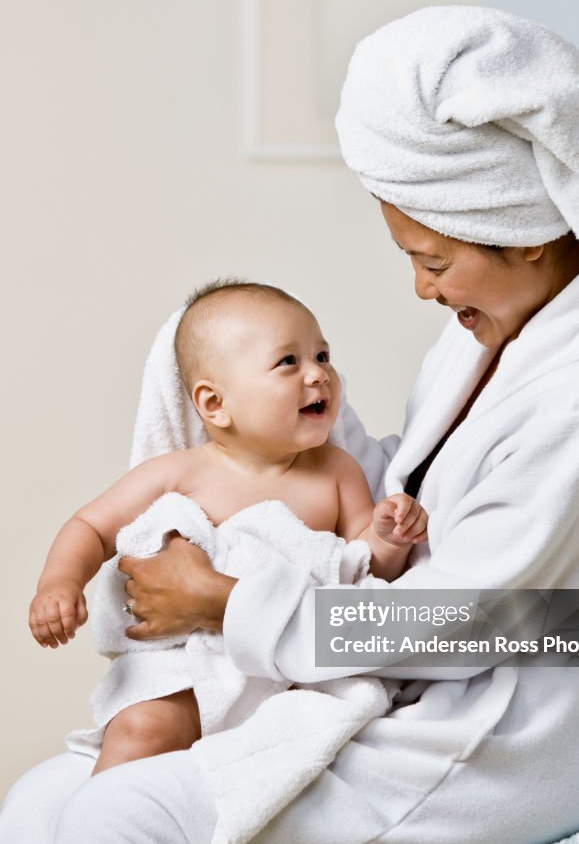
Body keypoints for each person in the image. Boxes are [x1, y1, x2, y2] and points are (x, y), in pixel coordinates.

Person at [1, 6, 579, 844]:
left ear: (528, 238)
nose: (423, 290)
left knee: (127, 827)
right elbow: (407, 495)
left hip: (500, 727)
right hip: (412, 677)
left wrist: (223, 601)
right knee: (49, 803)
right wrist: (262, 436)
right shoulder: (496, 335)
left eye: (432, 260)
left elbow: (454, 628)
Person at [27, 280, 427, 774]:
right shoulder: (180, 473)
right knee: (140, 732)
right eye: (289, 362)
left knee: (323, 748)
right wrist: (59, 583)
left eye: (322, 356)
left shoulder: (337, 471)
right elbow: (90, 526)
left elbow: (363, 570)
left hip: (287, 671)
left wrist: (388, 536)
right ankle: (106, 832)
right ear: (215, 404)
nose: (319, 375)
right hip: (187, 670)